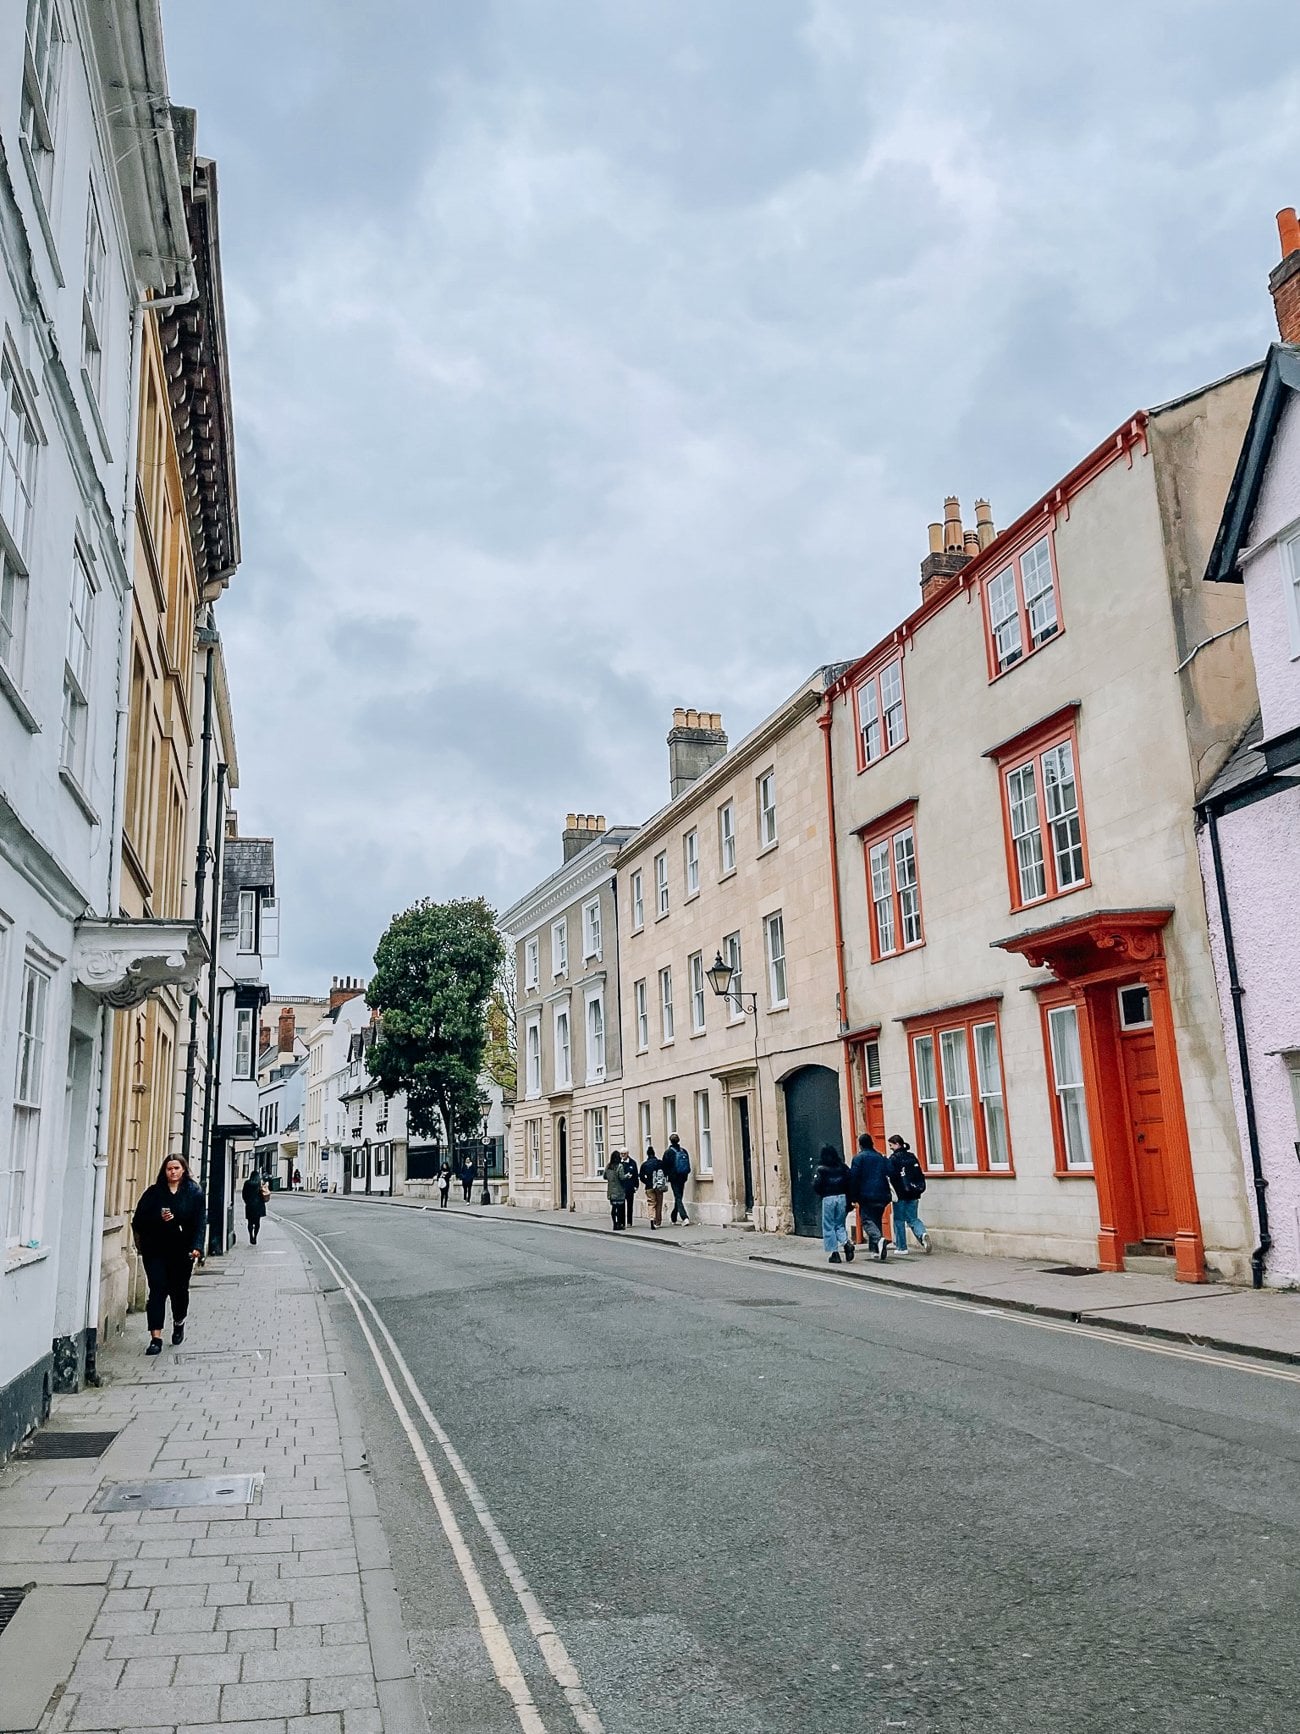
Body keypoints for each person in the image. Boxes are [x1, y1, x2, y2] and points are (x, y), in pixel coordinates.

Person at [132, 1156, 206, 1354]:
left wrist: (197, 1246)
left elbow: (200, 1222)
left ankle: (179, 1321)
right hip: (155, 1250)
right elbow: (139, 1219)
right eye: (169, 1169)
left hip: (182, 1250)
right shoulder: (154, 1193)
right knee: (157, 1290)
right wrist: (159, 1218)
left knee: (179, 1292)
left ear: (183, 1170)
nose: (172, 1172)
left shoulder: (194, 1193)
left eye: (176, 1168)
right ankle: (156, 1338)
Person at [848, 1132, 891, 1262]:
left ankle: (878, 1240)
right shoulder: (880, 1157)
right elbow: (890, 1172)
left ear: (860, 1145)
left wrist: (852, 1196)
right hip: (882, 1194)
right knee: (876, 1220)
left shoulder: (858, 1158)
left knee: (866, 1220)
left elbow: (854, 1178)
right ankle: (875, 1250)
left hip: (866, 1194)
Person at [887, 1134, 930, 1254]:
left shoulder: (894, 1159)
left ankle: (902, 1247)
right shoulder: (912, 1156)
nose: (890, 1147)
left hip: (900, 1194)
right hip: (914, 1192)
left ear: (897, 1144)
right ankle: (922, 1234)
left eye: (891, 1145)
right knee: (913, 1218)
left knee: (899, 1220)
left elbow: (891, 1175)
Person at [813, 1144, 854, 1265]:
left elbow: (816, 1185)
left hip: (828, 1198)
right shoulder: (843, 1167)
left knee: (829, 1226)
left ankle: (834, 1253)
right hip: (842, 1197)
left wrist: (821, 1193)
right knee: (839, 1224)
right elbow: (850, 1182)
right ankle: (846, 1243)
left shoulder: (821, 1169)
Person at [665, 1133, 691, 1224]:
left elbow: (665, 1166)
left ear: (670, 1141)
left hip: (674, 1178)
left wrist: (666, 1177)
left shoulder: (668, 1152)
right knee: (679, 1196)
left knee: (678, 1197)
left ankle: (685, 1217)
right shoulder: (683, 1150)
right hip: (683, 1176)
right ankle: (673, 1217)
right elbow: (688, 1165)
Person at [640, 1145, 665, 1228]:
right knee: (659, 1203)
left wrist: (647, 1182)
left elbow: (641, 1177)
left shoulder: (644, 1165)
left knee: (651, 1203)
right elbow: (664, 1173)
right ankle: (658, 1221)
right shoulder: (659, 1163)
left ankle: (652, 1218)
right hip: (658, 1186)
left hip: (649, 1186)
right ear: (654, 1154)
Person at [241, 1169, 268, 1245]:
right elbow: (264, 1194)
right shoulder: (259, 1184)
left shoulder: (247, 1183)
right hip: (258, 1206)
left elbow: (244, 1194)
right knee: (257, 1223)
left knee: (250, 1222)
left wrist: (247, 1202)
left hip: (249, 1205)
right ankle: (255, 1237)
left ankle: (250, 1236)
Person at [604, 1151, 627, 1230]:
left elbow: (604, 1176)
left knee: (614, 1208)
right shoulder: (620, 1166)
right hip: (619, 1190)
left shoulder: (608, 1166)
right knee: (620, 1209)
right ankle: (620, 1224)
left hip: (611, 1191)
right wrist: (627, 1176)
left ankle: (614, 1224)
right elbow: (622, 1177)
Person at [618, 1150, 640, 1225]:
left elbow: (636, 1175)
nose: (623, 1155)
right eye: (621, 1154)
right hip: (621, 1187)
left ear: (627, 1154)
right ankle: (622, 1222)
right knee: (621, 1206)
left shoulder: (632, 1163)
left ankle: (629, 1222)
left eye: (624, 1154)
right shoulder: (619, 1163)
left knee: (630, 1205)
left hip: (630, 1187)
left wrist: (636, 1185)